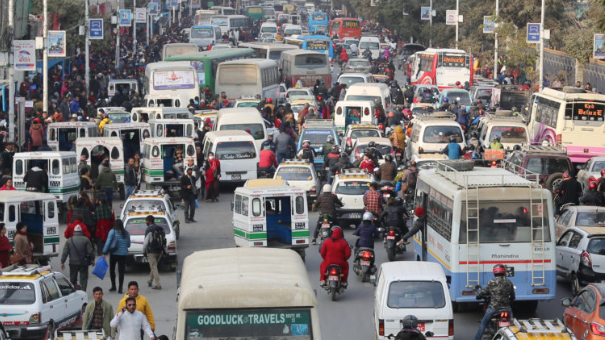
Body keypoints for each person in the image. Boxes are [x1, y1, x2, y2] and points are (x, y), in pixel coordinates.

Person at [474, 264, 515, 340]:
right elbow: (513, 297)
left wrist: (478, 296)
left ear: (494, 272)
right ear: (504, 272)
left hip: (493, 309)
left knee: (483, 324)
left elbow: (484, 292)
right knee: (512, 324)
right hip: (506, 308)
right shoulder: (509, 282)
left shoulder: (491, 282)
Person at [61, 224, 94, 291]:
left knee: (73, 279)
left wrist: (62, 261)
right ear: (81, 231)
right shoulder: (86, 240)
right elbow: (90, 251)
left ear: (74, 232)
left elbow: (65, 252)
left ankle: (74, 291)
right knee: (83, 278)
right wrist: (93, 259)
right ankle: (83, 291)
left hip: (73, 263)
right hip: (83, 262)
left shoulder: (69, 240)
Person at [103, 219, 131, 294]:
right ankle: (120, 288)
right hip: (123, 254)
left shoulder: (112, 232)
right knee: (121, 272)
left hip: (114, 254)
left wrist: (104, 252)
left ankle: (113, 286)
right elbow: (128, 245)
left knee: (112, 270)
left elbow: (108, 242)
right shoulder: (126, 233)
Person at [144, 215, 166, 290]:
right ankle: (149, 281)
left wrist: (143, 251)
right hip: (160, 251)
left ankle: (158, 284)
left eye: (146, 221)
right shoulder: (159, 228)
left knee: (153, 267)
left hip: (151, 252)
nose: (145, 222)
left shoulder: (149, 229)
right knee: (154, 266)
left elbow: (146, 242)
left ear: (149, 221)